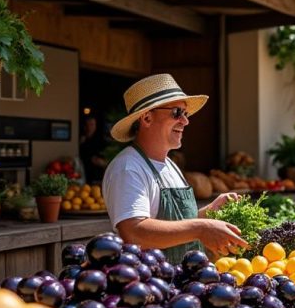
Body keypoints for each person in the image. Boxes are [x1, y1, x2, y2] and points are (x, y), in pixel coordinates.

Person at [104, 74, 248, 261]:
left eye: (185, 114)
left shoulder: (170, 165)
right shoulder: (128, 168)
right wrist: (202, 228)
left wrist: (209, 212)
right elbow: (134, 232)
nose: (185, 121)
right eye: (177, 113)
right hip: (152, 285)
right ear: (146, 118)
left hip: (184, 283)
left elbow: (174, 224)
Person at [79, 114, 109, 183]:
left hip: (98, 176)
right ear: (85, 126)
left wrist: (102, 162)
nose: (90, 127)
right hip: (84, 174)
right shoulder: (82, 140)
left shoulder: (100, 140)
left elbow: (108, 160)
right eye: (88, 124)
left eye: (92, 124)